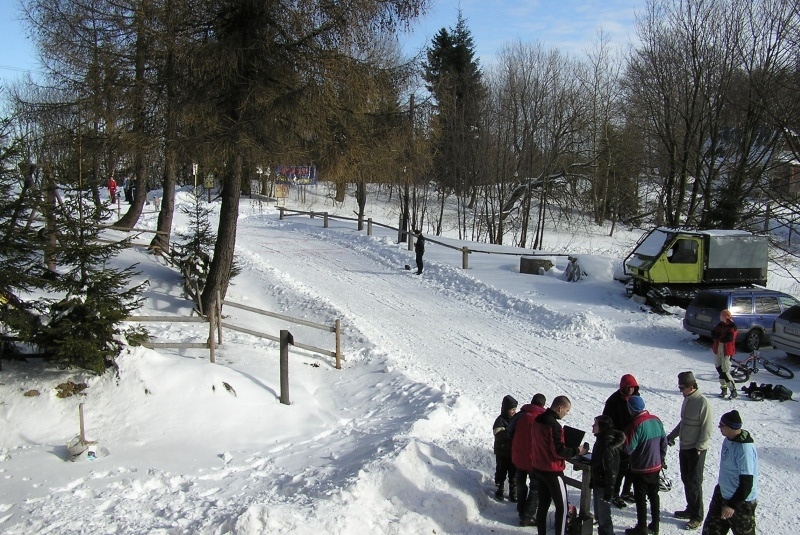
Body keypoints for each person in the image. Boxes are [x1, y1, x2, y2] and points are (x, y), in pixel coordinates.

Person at [530, 395, 588, 535]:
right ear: (560, 408)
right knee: (562, 507)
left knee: (543, 505)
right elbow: (559, 451)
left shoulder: (538, 419)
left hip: (539, 467)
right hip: (552, 471)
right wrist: (577, 450)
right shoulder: (554, 425)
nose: (566, 414)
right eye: (566, 411)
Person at [667, 371, 714, 531]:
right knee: (686, 480)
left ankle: (697, 516)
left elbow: (707, 428)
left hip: (696, 450)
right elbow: (684, 422)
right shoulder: (687, 400)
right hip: (684, 447)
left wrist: (700, 447)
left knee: (694, 482)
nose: (681, 391)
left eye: (682, 388)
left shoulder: (703, 403)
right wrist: (672, 435)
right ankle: (690, 508)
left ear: (691, 386)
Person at [701, 410, 758, 535]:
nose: (719, 427)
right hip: (722, 494)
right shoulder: (728, 439)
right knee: (710, 531)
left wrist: (732, 505)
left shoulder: (744, 450)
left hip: (740, 503)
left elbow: (746, 484)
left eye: (722, 425)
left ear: (732, 428)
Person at [623, 396, 668, 535]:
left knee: (640, 498)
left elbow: (628, 448)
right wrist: (660, 459)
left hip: (640, 468)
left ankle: (641, 527)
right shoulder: (656, 420)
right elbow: (664, 442)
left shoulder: (635, 424)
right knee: (654, 496)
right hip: (655, 466)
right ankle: (655, 525)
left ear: (631, 409)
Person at [509, 393, 547, 526]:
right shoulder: (543, 418)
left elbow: (509, 431)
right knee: (535, 487)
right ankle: (528, 516)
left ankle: (521, 508)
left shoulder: (520, 415)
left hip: (519, 455)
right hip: (534, 458)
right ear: (542, 405)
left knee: (520, 482)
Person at [603, 373, 640, 507]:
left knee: (631, 467)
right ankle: (615, 493)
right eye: (628, 387)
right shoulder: (613, 401)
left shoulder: (635, 398)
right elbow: (606, 421)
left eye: (633, 387)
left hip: (632, 438)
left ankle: (626, 491)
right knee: (620, 468)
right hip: (618, 439)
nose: (631, 390)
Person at [590, 414, 625, 535]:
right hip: (598, 483)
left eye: (595, 424)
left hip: (603, 486)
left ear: (602, 427)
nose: (593, 426)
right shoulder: (601, 441)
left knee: (604, 517)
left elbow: (611, 470)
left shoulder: (607, 445)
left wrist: (609, 489)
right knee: (600, 516)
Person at [492, 395, 518, 501]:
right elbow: (499, 434)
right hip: (502, 452)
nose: (513, 411)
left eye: (514, 409)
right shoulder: (500, 420)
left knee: (514, 473)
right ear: (505, 409)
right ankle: (499, 488)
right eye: (511, 409)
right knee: (501, 471)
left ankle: (513, 491)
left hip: (513, 452)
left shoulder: (516, 419)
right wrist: (512, 435)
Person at [712, 310, 739, 399]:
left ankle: (733, 390)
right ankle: (724, 388)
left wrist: (720, 337)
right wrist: (719, 337)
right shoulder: (720, 325)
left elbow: (730, 337)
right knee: (719, 369)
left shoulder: (732, 326)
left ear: (725, 317)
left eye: (721, 315)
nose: (720, 317)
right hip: (718, 348)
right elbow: (713, 333)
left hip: (727, 351)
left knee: (725, 371)